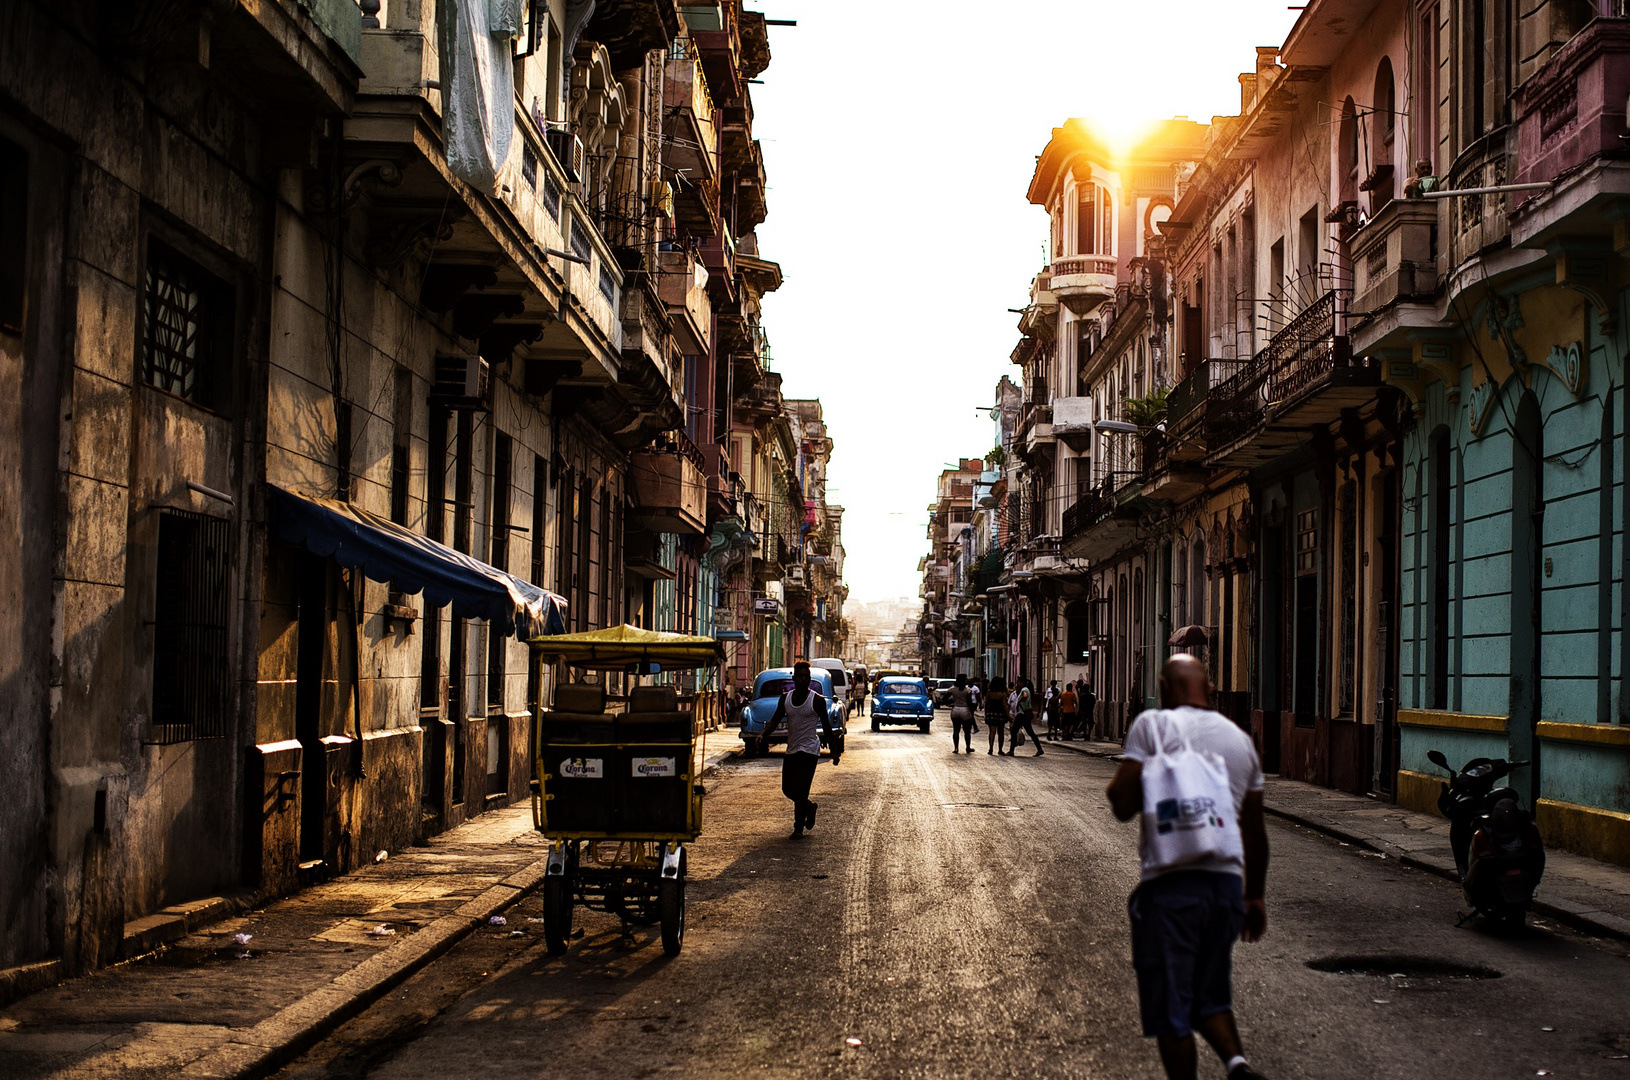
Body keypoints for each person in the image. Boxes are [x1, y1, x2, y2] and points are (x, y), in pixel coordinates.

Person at [1105, 655, 1270, 1080]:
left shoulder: (1151, 726)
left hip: (1171, 887)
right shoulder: (1239, 741)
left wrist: (1145, 779)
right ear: (1209, 689)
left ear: (1165, 685)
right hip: (1226, 890)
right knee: (1210, 995)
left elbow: (1122, 805)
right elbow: (1254, 832)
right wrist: (1254, 896)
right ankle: (1237, 1065)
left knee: (1172, 1009)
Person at [758, 662, 838, 839]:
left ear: (809, 679)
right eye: (799, 676)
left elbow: (826, 726)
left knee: (801, 789)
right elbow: (774, 720)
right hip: (792, 749)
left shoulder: (816, 700)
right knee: (787, 789)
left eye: (806, 677)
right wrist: (763, 734)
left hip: (809, 750)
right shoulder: (785, 698)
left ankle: (798, 828)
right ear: (794, 678)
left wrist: (834, 751)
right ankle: (809, 807)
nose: (803, 679)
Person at [1008, 677, 1043, 756]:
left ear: (1022, 682)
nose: (1017, 683)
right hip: (1024, 714)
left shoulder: (1025, 689)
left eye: (1018, 682)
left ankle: (1011, 751)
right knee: (1030, 732)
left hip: (1022, 714)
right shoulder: (1025, 689)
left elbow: (1025, 695)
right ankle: (1039, 749)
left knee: (1014, 731)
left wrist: (1019, 701)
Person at [946, 674, 977, 754]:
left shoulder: (952, 689)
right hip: (965, 709)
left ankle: (956, 748)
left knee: (956, 730)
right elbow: (970, 702)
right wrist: (971, 713)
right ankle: (967, 747)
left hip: (955, 709)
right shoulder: (967, 690)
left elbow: (944, 698)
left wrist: (950, 703)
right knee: (967, 731)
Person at [984, 677, 1009, 755]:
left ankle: (991, 748)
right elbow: (1005, 705)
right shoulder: (1003, 694)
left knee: (992, 732)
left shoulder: (989, 693)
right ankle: (1000, 749)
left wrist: (986, 713)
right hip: (1000, 714)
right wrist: (1008, 715)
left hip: (991, 713)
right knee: (1000, 732)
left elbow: (986, 704)